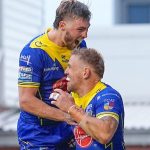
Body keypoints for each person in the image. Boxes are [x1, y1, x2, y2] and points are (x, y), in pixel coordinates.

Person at [17, 0, 91, 149]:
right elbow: (26, 101)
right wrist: (67, 116)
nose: (85, 35)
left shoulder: (80, 46)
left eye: (87, 29)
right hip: (37, 133)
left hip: (69, 128)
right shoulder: (33, 52)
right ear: (62, 25)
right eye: (81, 29)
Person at [51, 48, 125, 150]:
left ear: (85, 73)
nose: (65, 71)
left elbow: (105, 134)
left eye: (70, 67)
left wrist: (71, 109)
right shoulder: (73, 97)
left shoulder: (108, 96)